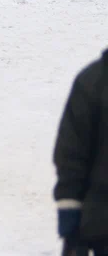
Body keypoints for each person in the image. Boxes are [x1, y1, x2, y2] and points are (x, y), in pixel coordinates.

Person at [55, 49, 108, 255]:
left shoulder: (93, 81)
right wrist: (70, 222)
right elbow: (72, 156)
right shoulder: (95, 83)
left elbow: (71, 155)